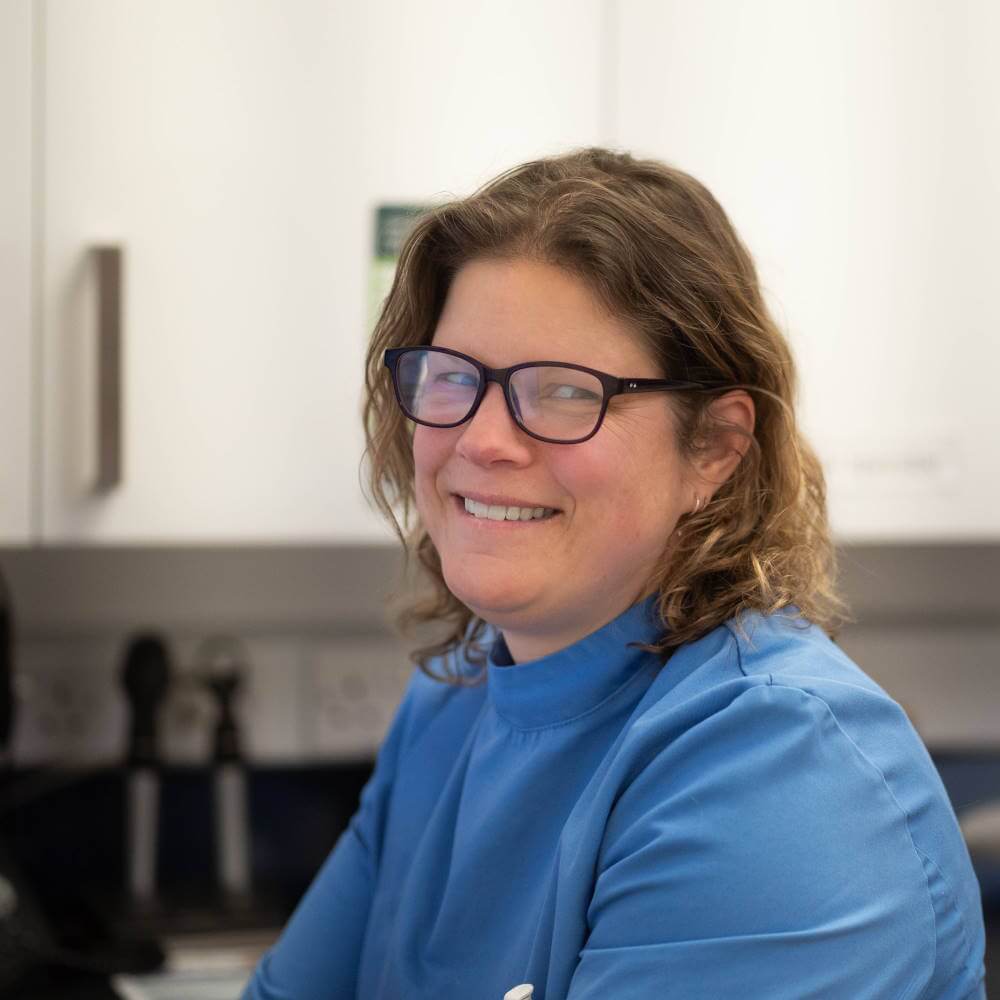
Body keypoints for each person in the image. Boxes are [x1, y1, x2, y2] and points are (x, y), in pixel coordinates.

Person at [243, 148, 986, 999]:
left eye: (563, 391)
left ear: (712, 446)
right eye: (453, 378)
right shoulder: (450, 710)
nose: (483, 440)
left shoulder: (783, 777)